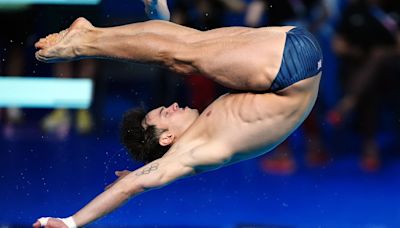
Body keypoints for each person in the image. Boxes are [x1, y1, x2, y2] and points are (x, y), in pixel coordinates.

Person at [33, 0, 322, 227]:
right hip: (291, 67)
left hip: (290, 54)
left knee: (188, 48)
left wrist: (135, 174)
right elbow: (134, 187)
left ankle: (153, 23)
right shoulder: (193, 154)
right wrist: (71, 223)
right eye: (165, 114)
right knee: (185, 56)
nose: (172, 106)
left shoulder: (195, 141)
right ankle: (85, 40)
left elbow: (136, 179)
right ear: (167, 138)